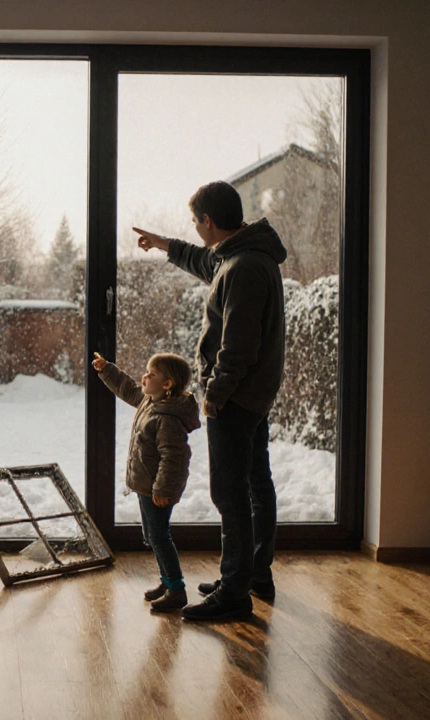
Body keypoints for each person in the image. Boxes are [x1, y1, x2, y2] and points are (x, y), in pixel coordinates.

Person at [133, 180, 287, 622]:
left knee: (231, 494)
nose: (195, 230)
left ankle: (234, 593)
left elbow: (237, 348)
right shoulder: (245, 257)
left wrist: (213, 397)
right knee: (256, 484)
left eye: (195, 222)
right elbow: (205, 262)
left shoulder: (242, 268)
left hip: (236, 400)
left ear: (208, 221)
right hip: (253, 396)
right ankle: (252, 574)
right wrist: (165, 244)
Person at [92, 350, 201, 612]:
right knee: (152, 536)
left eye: (151, 374)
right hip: (147, 486)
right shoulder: (151, 402)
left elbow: (173, 458)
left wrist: (162, 489)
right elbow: (128, 388)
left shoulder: (167, 417)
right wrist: (107, 369)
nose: (144, 376)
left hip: (157, 489)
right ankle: (167, 581)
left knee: (159, 537)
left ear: (167, 384)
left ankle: (177, 590)